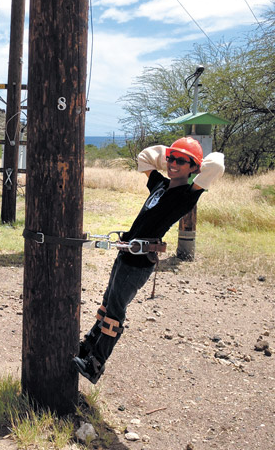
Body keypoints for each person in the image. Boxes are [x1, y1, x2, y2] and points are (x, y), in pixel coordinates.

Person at [73, 136, 225, 384]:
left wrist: (195, 159)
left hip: (141, 260)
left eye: (181, 161)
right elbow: (144, 157)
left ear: (194, 167)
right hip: (126, 253)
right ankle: (88, 347)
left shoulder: (188, 194)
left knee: (115, 312)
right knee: (106, 306)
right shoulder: (160, 184)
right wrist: (171, 154)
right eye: (171, 159)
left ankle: (96, 364)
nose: (174, 163)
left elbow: (216, 164)